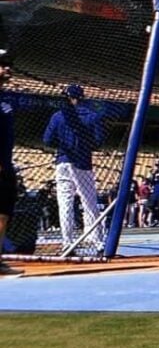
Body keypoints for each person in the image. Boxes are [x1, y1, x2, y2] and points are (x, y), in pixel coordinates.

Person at [42, 84, 105, 253]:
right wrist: (84, 146)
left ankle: (67, 242)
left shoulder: (58, 116)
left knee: (65, 203)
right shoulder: (92, 116)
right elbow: (99, 142)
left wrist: (63, 146)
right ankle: (97, 241)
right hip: (83, 162)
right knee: (89, 202)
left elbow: (47, 140)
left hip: (62, 161)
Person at [0, 53, 20, 275]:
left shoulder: (6, 99)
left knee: (3, 214)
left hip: (5, 165)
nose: (7, 68)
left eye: (9, 65)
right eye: (3, 65)